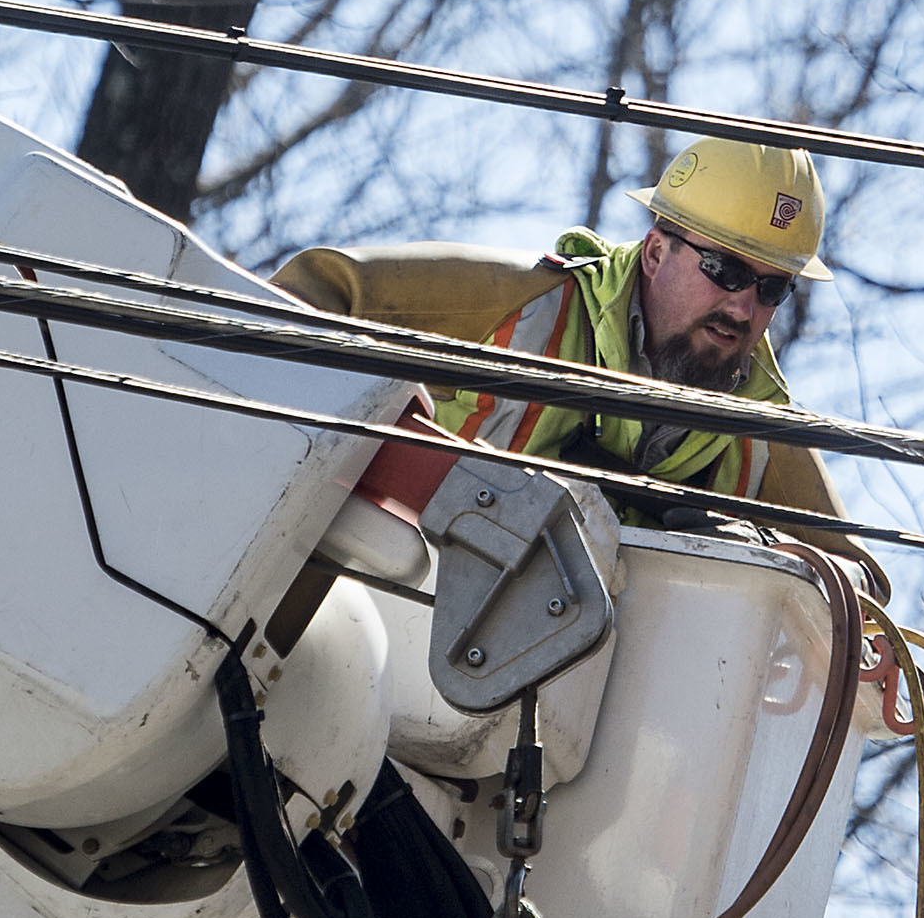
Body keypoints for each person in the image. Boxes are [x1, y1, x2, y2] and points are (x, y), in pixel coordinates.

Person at [274, 135, 882, 592]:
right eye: (725, 270)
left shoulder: (765, 433)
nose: (744, 304)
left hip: (581, 732)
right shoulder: (524, 305)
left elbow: (862, 597)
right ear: (655, 252)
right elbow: (316, 293)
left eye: (773, 290)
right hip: (382, 624)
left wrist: (766, 552)